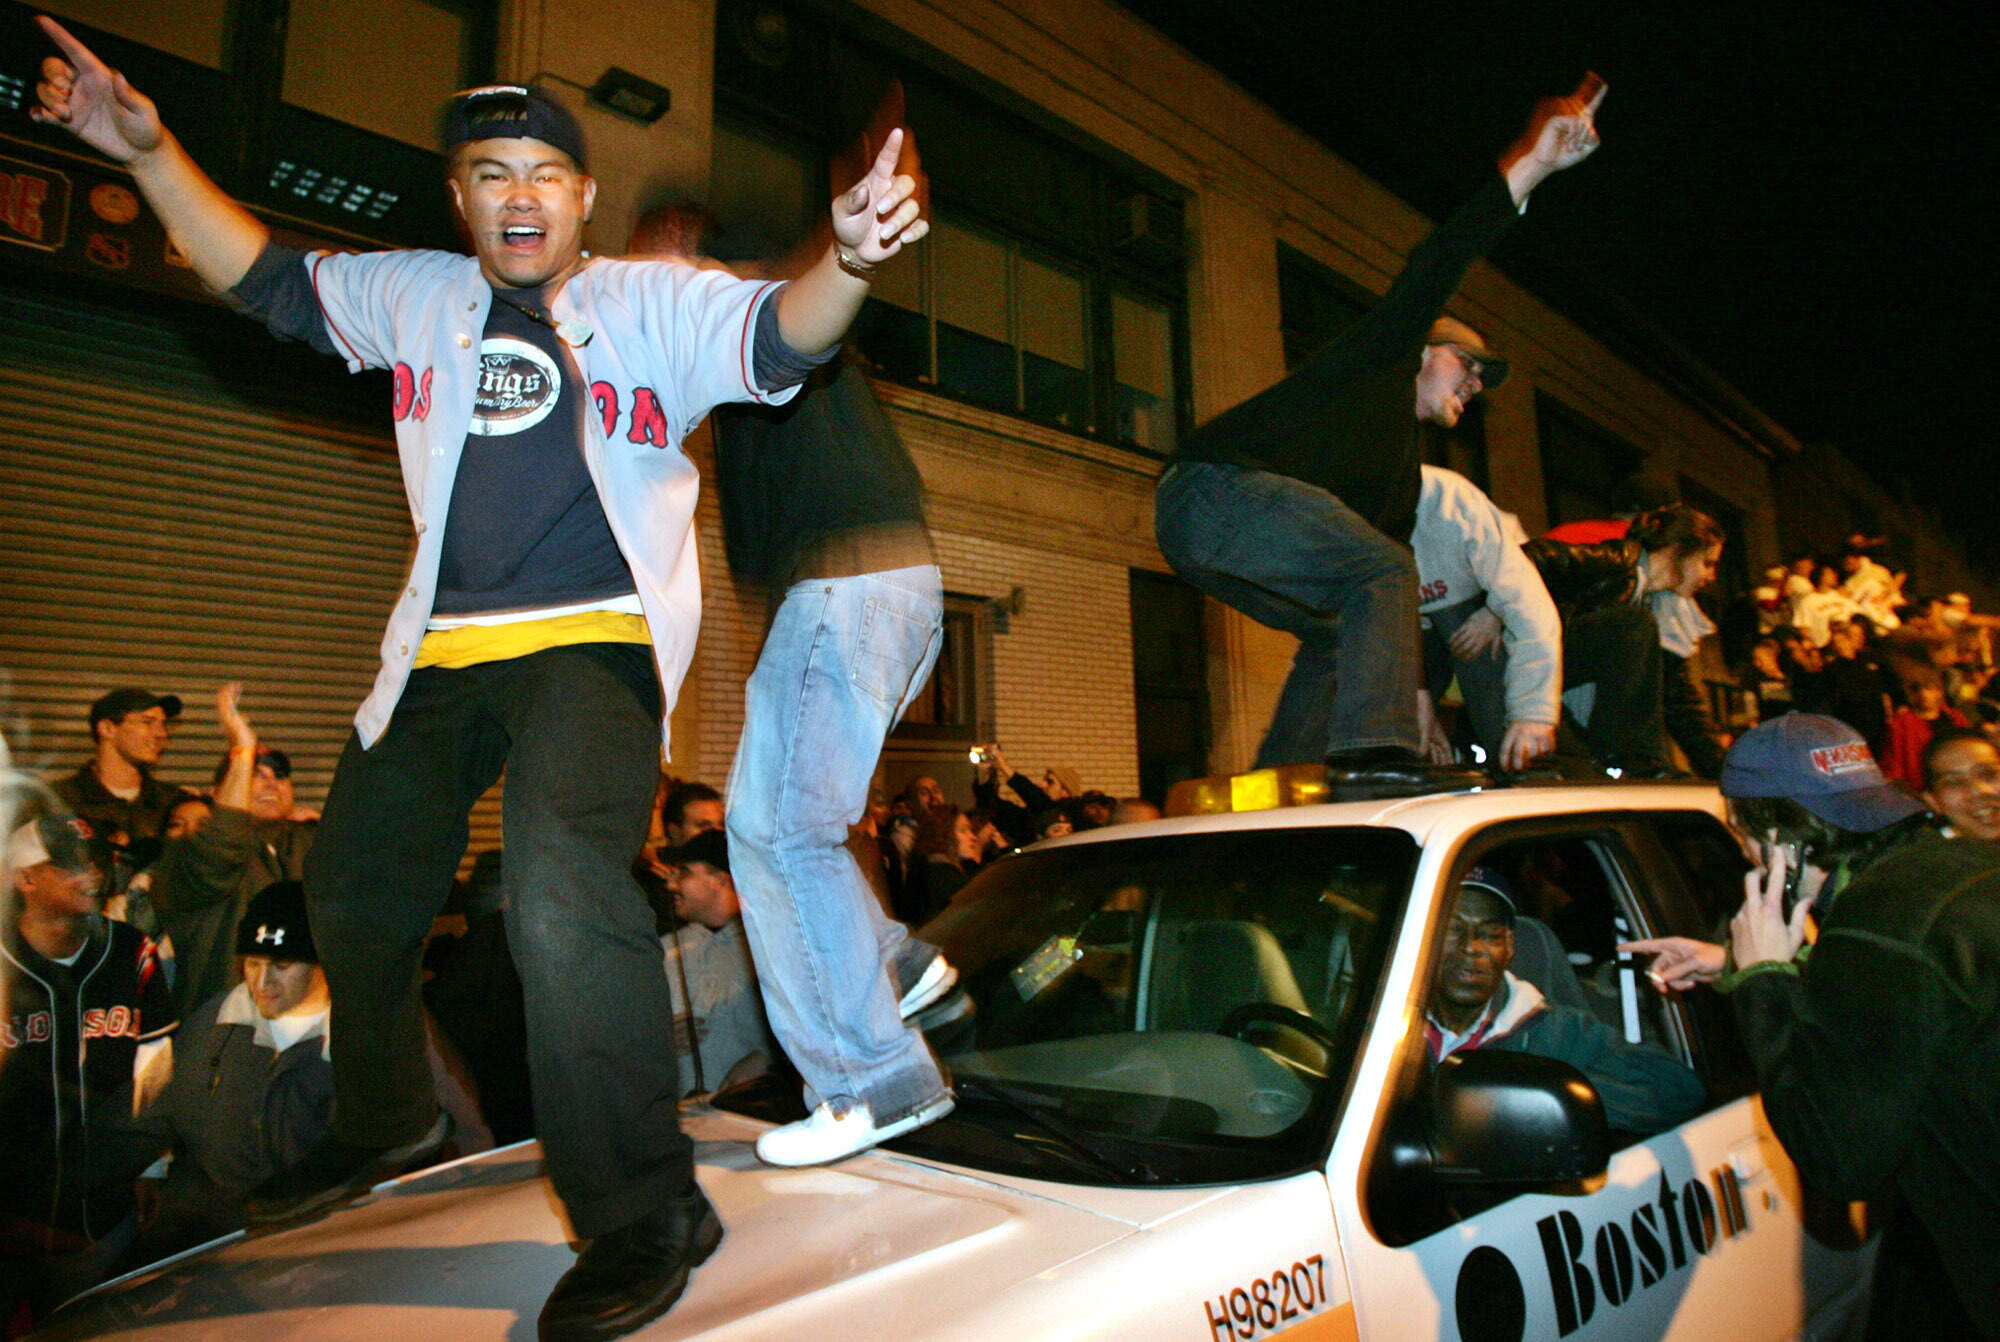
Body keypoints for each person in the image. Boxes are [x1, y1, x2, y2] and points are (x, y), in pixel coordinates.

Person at [34, 20, 928, 1337]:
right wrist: (153, 152)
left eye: (543, 174)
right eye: (490, 172)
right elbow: (267, 277)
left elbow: (780, 336)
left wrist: (846, 261)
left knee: (563, 890)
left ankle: (644, 1211)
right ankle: (386, 1116)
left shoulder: (647, 303)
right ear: (461, 199)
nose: (518, 195)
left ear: (582, 197)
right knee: (352, 885)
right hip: (439, 656)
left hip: (593, 642)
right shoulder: (415, 296)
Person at [1152, 75, 1605, 795]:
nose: (1473, 386)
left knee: (1344, 618)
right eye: (1467, 367)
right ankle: (1371, 754)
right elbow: (1439, 260)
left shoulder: (1398, 481)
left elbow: (1390, 610)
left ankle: (1287, 776)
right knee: (1381, 567)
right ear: (1424, 353)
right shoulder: (1384, 354)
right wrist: (1531, 165)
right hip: (1212, 492)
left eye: (1482, 385)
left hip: (1209, 543)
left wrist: (1420, 696)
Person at [628, 198, 957, 1167]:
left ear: (689, 254)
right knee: (782, 817)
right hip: (880, 587)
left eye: (651, 269)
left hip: (848, 587)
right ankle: (895, 958)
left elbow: (810, 310)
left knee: (772, 827)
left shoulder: (751, 309)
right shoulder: (739, 341)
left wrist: (841, 245)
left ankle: (871, 1076)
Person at [1624, 714, 2000, 1337]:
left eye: (1739, 836)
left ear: (1776, 843)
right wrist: (1735, 963)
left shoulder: (1874, 927)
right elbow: (1918, 1009)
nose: (1741, 853)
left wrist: (1763, 979)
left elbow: (1842, 1159)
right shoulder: (1955, 872)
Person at [1, 816, 177, 1325]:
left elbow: (156, 1068)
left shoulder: (132, 952)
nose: (90, 873)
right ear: (24, 878)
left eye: (92, 859)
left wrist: (152, 1165)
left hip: (101, 1216)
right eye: (67, 864)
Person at [125, 881, 335, 1263]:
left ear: (321, 963)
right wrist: (151, 1165)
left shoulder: (363, 1035)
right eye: (252, 964)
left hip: (315, 1239)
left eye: (282, 966)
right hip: (208, 1231)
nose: (261, 982)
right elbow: (159, 1101)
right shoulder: (220, 1018)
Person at [1425, 867, 1705, 1135]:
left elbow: (1678, 1092)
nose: (1471, 947)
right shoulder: (1387, 1018)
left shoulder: (1556, 1031)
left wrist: (1546, 1095)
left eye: (1489, 935)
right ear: (1423, 937)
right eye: (1453, 929)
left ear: (1509, 946)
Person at [146, 684, 315, 1016]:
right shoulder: (191, 853)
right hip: (228, 1030)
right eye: (255, 774)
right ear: (217, 792)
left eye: (279, 775)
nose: (270, 783)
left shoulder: (308, 841)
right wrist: (241, 749)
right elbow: (220, 850)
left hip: (310, 1026)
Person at [1523, 503, 1728, 775]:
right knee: (1635, 623)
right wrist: (1491, 613)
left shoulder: (1665, 609)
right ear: (1677, 551)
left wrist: (1725, 770)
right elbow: (1525, 558)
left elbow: (1679, 700)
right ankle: (1634, 757)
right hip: (1532, 671)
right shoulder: (1617, 559)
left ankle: (1636, 760)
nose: (1710, 577)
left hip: (1572, 719)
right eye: (1707, 563)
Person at [1409, 465, 1561, 770]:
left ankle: (1514, 759)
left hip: (1477, 601)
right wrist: (1418, 697)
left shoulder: (1453, 500)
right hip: (1410, 617)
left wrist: (1533, 713)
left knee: (1474, 645)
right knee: (1398, 704)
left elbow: (1527, 605)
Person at [656, 830, 776, 1098]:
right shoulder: (661, 951)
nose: (670, 885)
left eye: (684, 872)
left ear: (720, 879)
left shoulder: (771, 946)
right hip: (684, 1121)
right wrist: (657, 1039)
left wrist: (766, 1060)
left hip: (756, 1117)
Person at [48, 688, 191, 847]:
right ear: (107, 729)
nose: (161, 734)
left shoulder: (175, 803)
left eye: (163, 724)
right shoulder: (55, 801)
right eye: (147, 722)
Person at [1918, 726, 2000, 843]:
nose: (1980, 790)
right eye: (1956, 783)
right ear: (1933, 801)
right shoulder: (1933, 858)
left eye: (1989, 774)